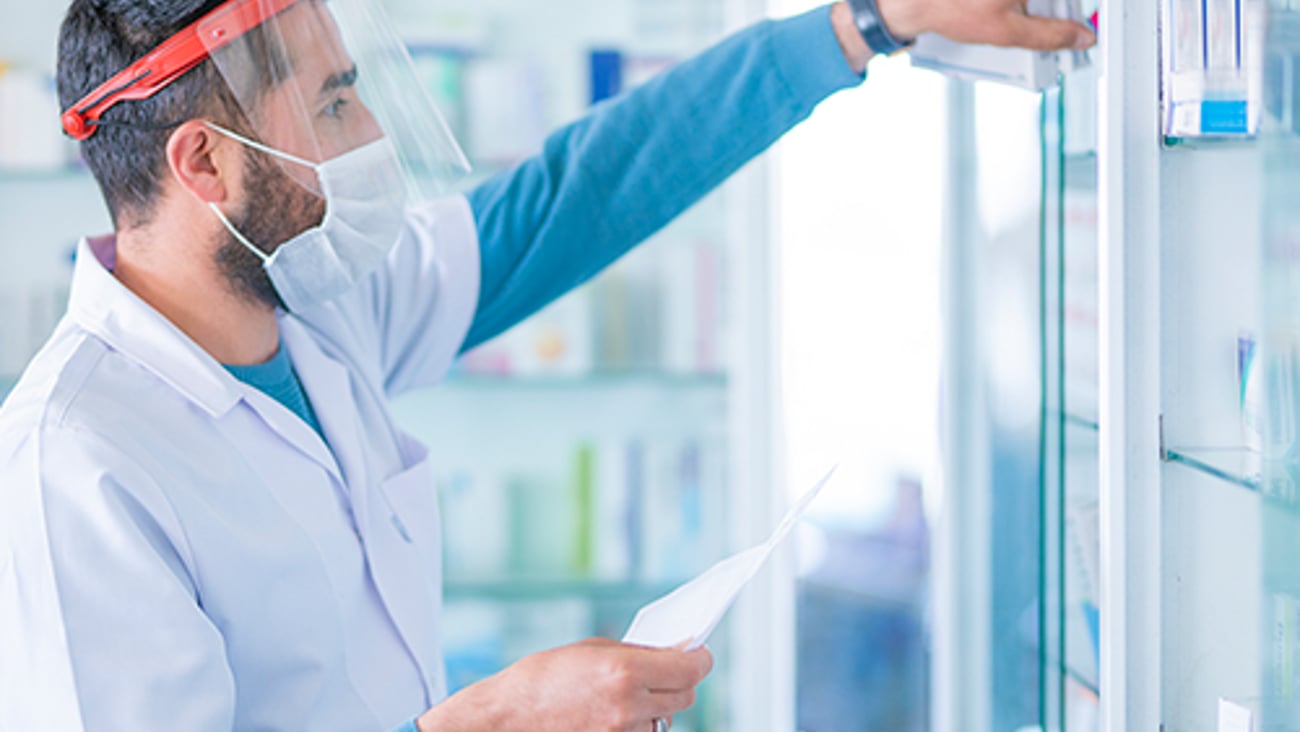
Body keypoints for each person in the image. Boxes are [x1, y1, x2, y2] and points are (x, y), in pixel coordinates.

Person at [0, 0, 1093, 729]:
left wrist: (864, 25)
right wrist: (493, 719)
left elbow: (576, 195)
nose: (372, 129)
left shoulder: (322, 304)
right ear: (205, 164)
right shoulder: (79, 465)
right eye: (334, 102)